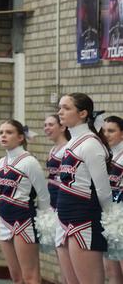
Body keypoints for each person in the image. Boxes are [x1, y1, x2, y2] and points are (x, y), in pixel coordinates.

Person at [55, 92, 112, 284]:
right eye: (60, 107)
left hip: (84, 219)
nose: (60, 112)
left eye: (66, 108)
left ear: (83, 113)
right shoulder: (72, 142)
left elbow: (103, 190)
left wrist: (110, 221)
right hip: (65, 218)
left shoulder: (90, 144)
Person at [0, 120, 50, 284]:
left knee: (30, 275)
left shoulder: (29, 161)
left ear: (20, 137)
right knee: (16, 277)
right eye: (1, 132)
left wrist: (45, 223)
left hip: (23, 220)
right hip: (4, 220)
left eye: (9, 132)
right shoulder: (1, 162)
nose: (3, 135)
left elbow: (43, 195)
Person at [43, 113, 76, 283]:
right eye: (45, 125)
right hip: (53, 204)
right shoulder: (53, 149)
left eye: (50, 124)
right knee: (61, 256)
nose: (46, 128)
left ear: (62, 127)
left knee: (68, 256)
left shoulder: (67, 149)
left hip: (64, 206)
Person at [102, 115, 123, 281]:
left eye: (111, 131)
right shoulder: (104, 156)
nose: (106, 134)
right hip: (108, 219)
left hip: (121, 219)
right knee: (111, 271)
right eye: (104, 131)